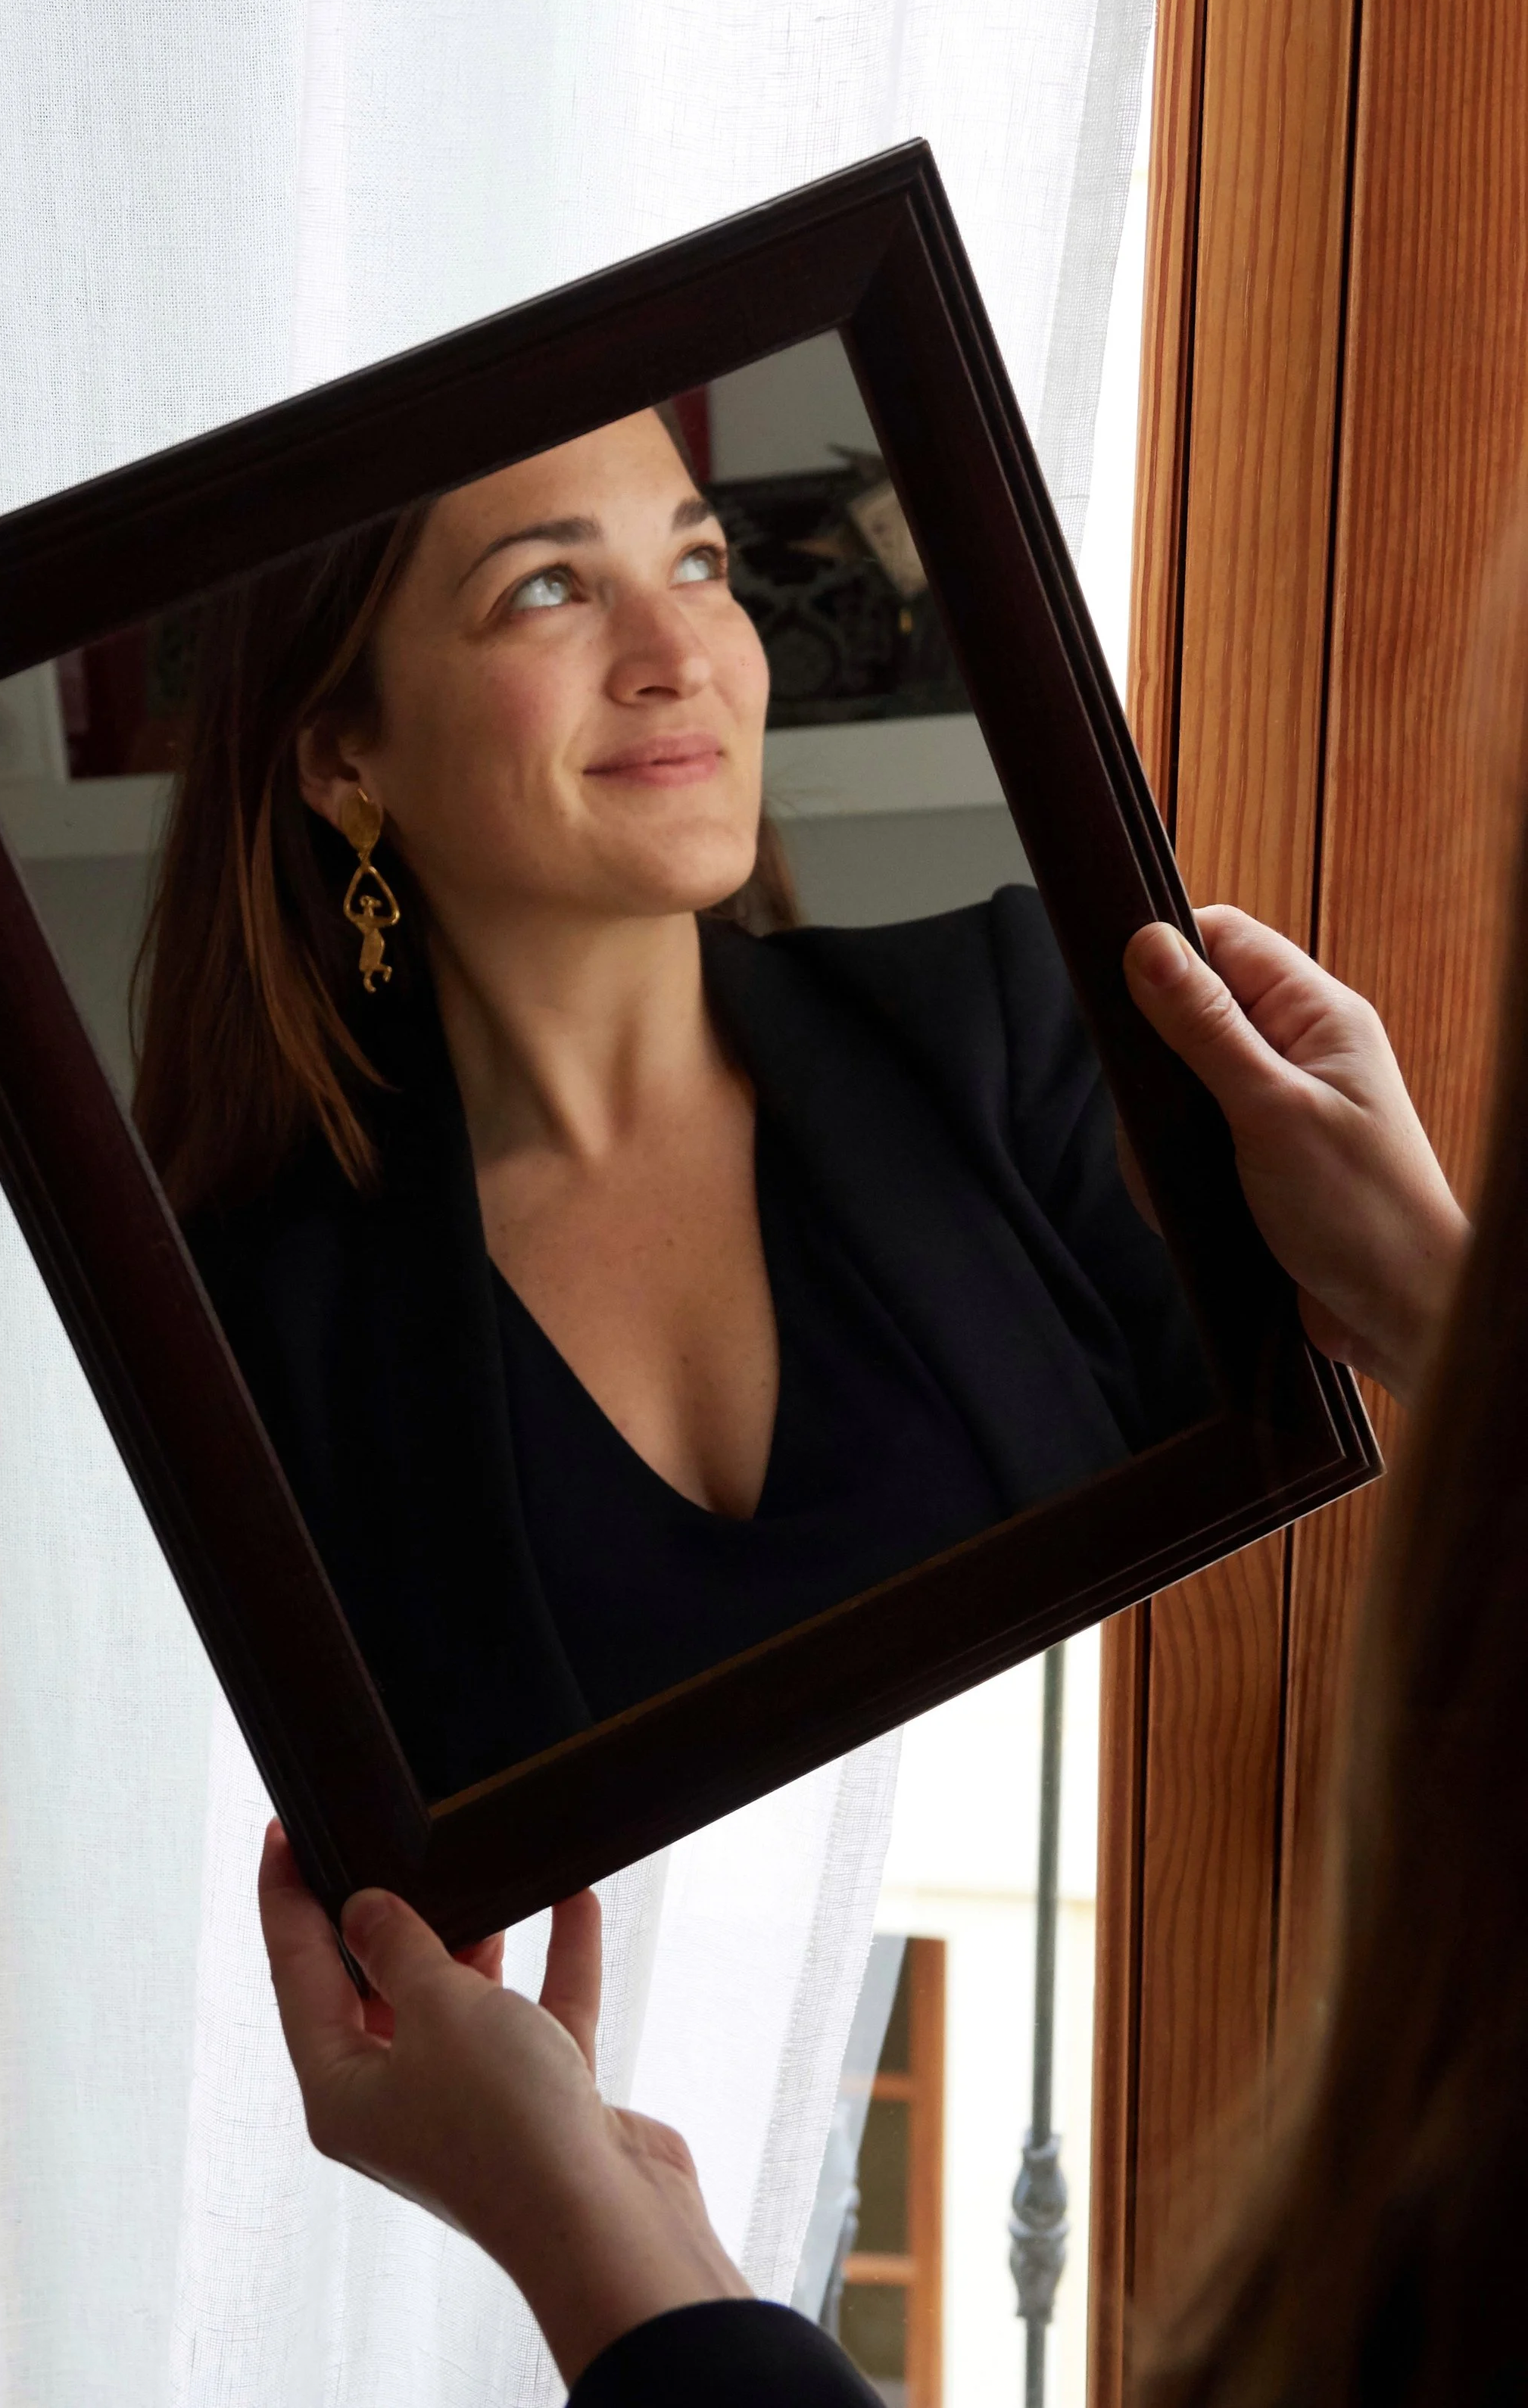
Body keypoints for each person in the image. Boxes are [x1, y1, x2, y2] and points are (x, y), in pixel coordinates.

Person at [256, 888, 1480, 2403]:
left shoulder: (985, 1013)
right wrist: (1423, 1286)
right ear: (342, 753)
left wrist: (583, 2225)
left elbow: (1220, 1441)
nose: (679, 644)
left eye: (731, 618)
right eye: (542, 622)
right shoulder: (286, 1303)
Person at [136, 406, 1210, 1799]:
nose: (681, 656)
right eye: (547, 587)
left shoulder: (1021, 1027)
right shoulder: (244, 1329)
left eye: (700, 564)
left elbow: (1304, 1594)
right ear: (346, 757)